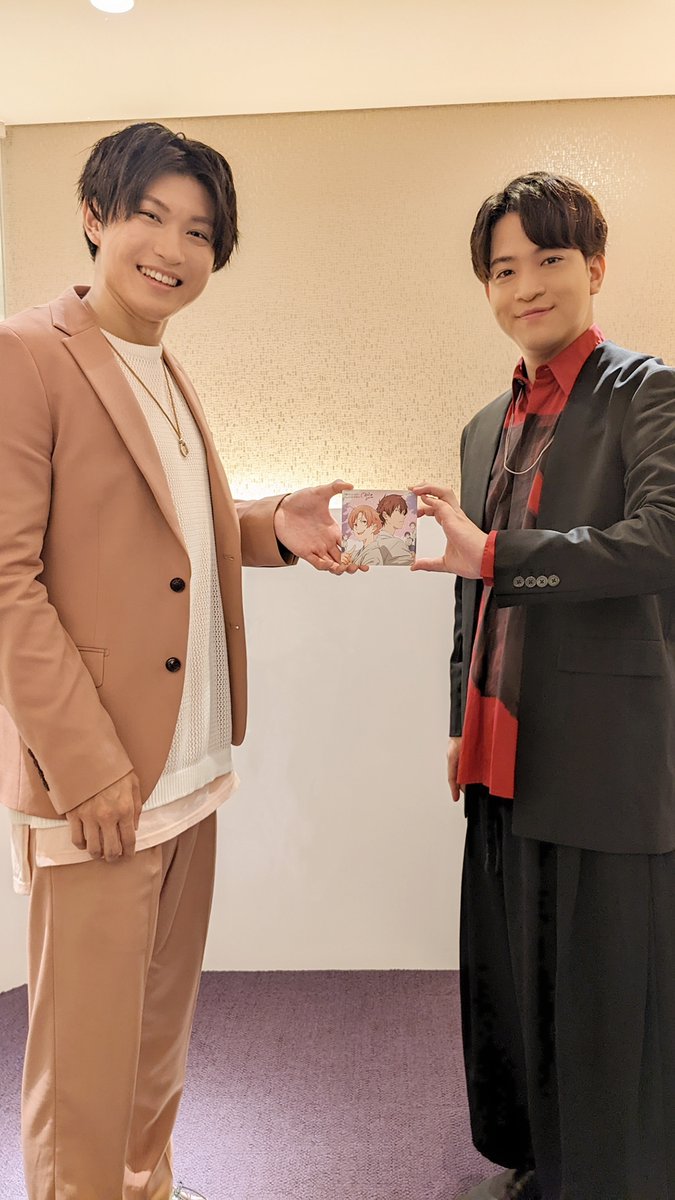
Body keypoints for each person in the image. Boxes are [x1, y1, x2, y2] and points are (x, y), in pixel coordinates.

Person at [0, 121, 357, 1200]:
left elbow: (167, 537)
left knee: (156, 1034)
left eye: (199, 232)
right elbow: (8, 581)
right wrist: (84, 766)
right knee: (86, 1060)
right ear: (94, 216)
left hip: (190, 762)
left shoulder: (162, 366)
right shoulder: (27, 354)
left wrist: (273, 526)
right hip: (102, 775)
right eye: (150, 215)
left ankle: (146, 1183)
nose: (173, 248)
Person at [412, 173, 675, 1200]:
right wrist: (455, 719)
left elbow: (660, 540)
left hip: (606, 745)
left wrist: (491, 553)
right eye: (503, 269)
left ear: (594, 267)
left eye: (549, 260)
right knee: (514, 975)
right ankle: (534, 1158)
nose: (526, 286)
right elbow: (466, 590)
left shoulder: (649, 393)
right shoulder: (484, 425)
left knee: (606, 988)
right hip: (500, 746)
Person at [374, 493, 414, 564]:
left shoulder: (375, 540)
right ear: (385, 515)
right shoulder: (397, 543)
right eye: (399, 512)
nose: (403, 516)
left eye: (403, 513)